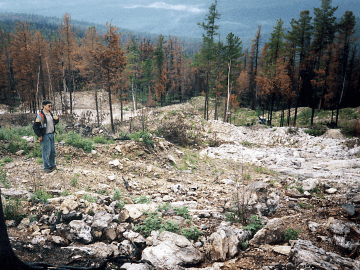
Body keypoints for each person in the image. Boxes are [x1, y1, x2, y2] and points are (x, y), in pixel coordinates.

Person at [33, 100, 59, 173]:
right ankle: (46, 167)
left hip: (51, 134)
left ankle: (52, 165)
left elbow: (53, 123)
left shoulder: (50, 114)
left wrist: (57, 120)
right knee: (46, 152)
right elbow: (35, 126)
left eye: (51, 106)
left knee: (52, 151)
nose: (50, 107)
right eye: (49, 106)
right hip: (45, 135)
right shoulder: (40, 115)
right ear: (44, 106)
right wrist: (40, 135)